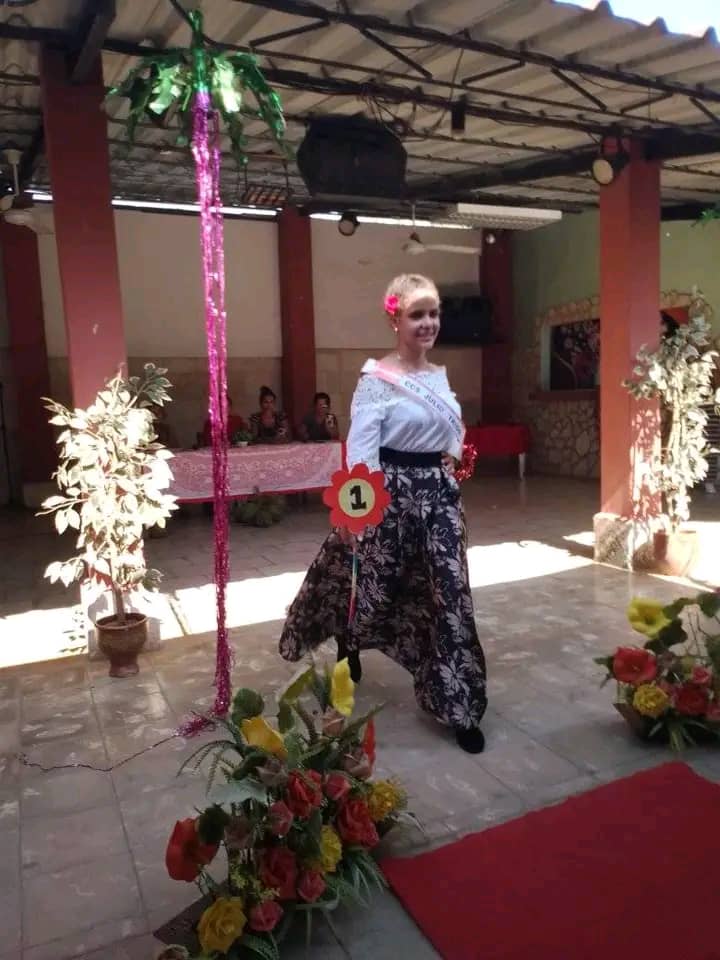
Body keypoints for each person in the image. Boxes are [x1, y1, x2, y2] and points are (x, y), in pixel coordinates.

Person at [279, 273, 487, 754]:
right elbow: (361, 450)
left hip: (437, 497)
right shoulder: (376, 380)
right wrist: (357, 514)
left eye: (433, 313)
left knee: (451, 591)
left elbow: (450, 434)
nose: (428, 323)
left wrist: (455, 457)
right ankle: (349, 640)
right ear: (395, 320)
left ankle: (458, 703)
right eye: (417, 314)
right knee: (374, 589)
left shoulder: (439, 376)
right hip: (388, 494)